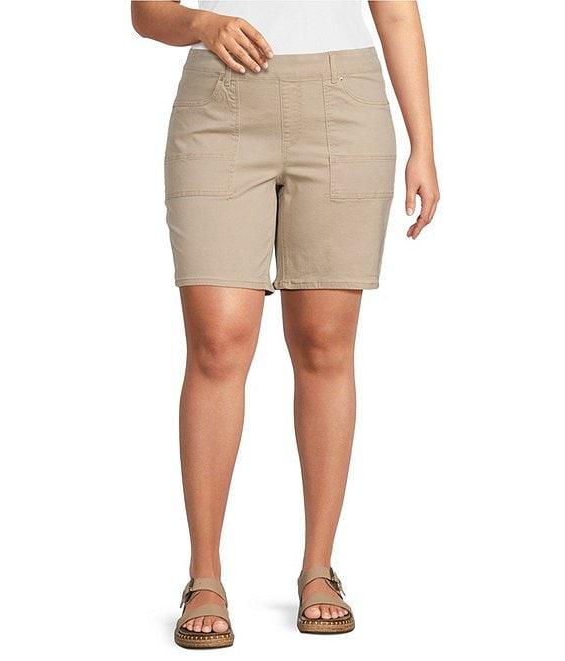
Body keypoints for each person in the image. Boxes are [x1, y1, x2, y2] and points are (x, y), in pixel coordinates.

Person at [131, 0, 439, 649]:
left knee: (325, 344)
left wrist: (424, 145)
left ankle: (318, 568)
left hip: (344, 104)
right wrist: (202, 24)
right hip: (219, 104)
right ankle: (204, 575)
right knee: (217, 342)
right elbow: (146, 12)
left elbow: (397, 13)